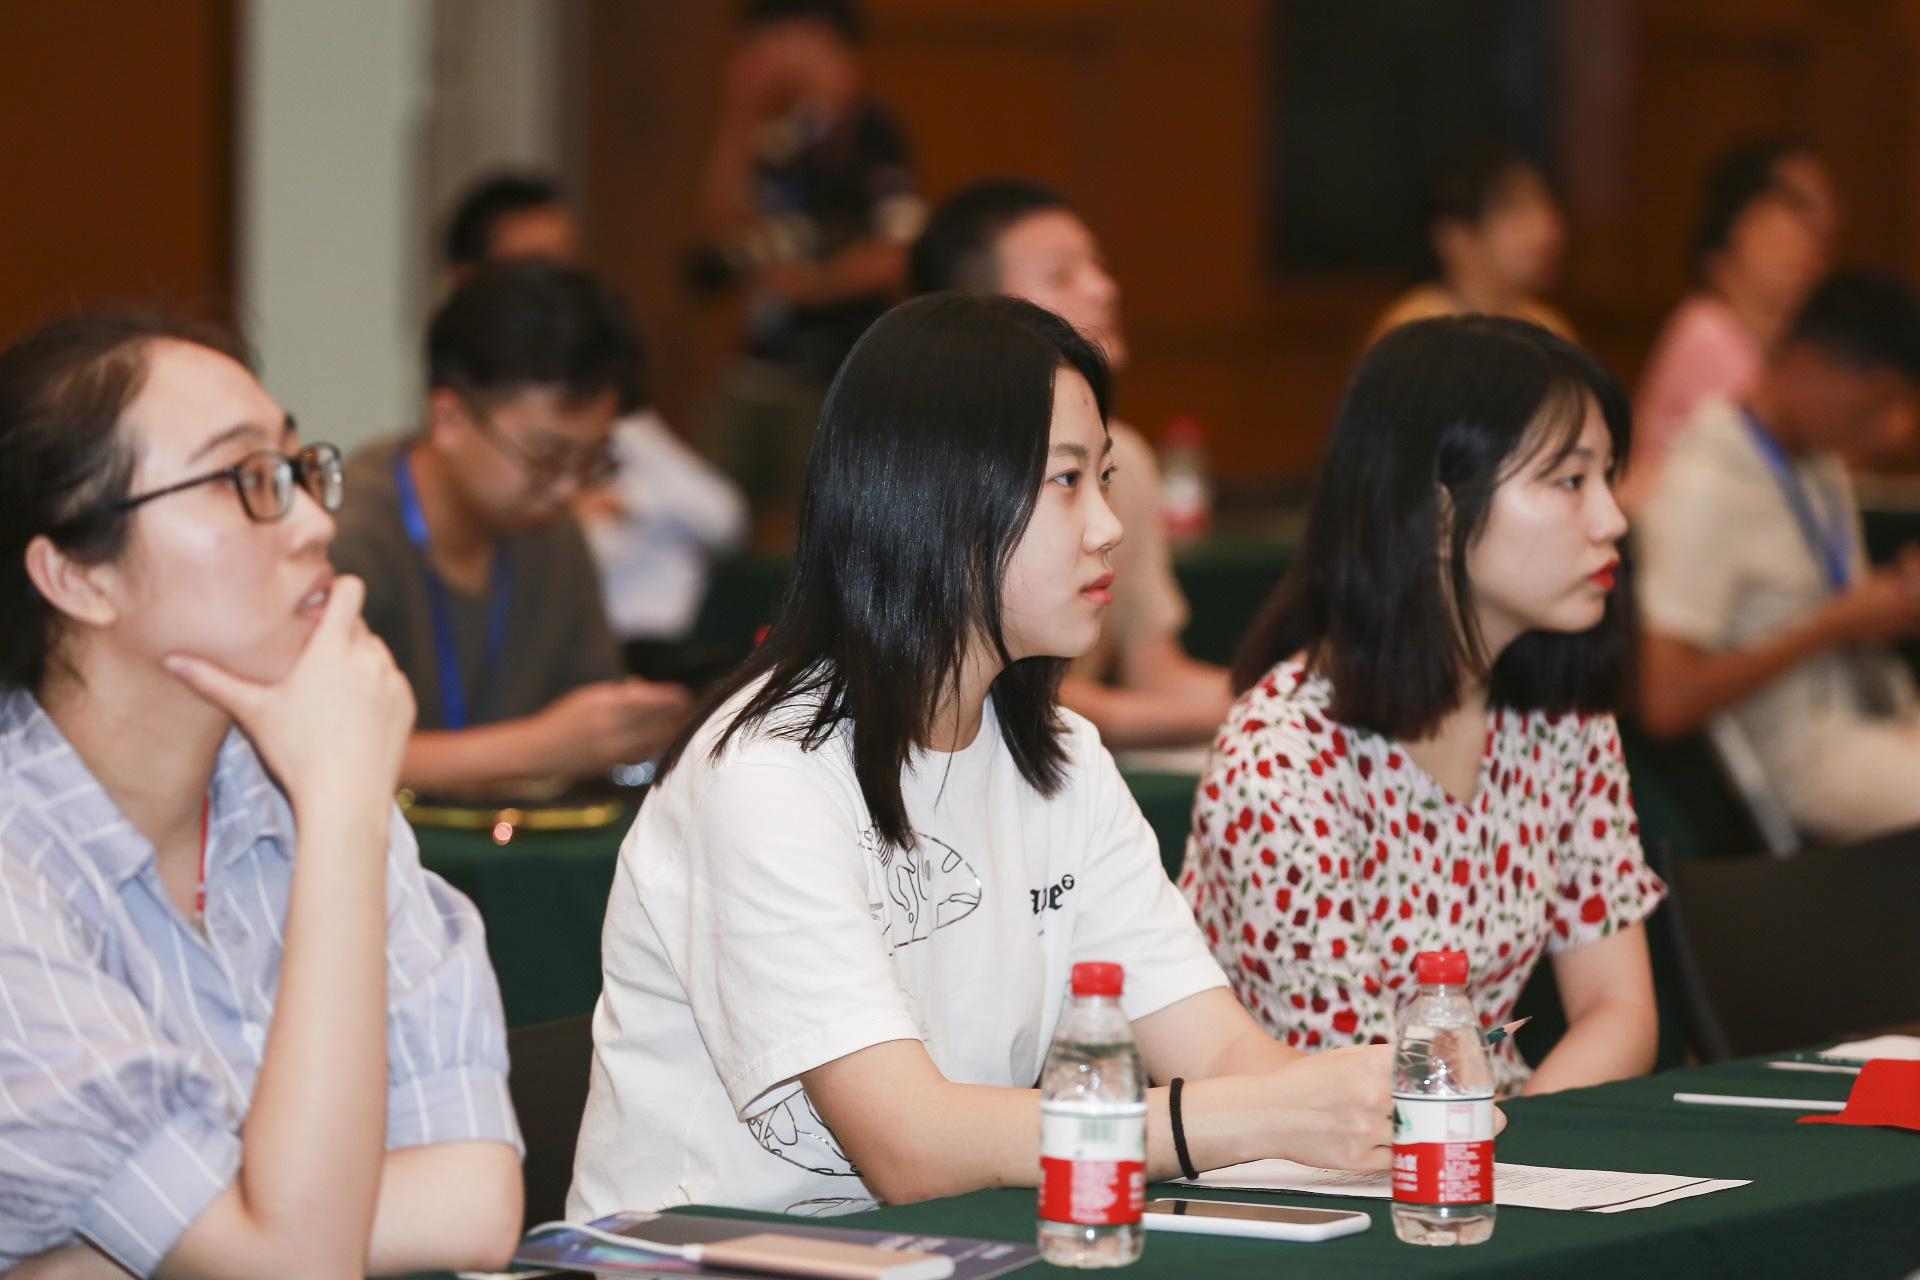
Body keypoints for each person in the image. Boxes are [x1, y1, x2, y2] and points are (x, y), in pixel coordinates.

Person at [569, 294, 1398, 1220]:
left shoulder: (1066, 760)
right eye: (1067, 480)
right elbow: (911, 1148)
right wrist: (1253, 1116)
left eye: (1106, 477)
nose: (1109, 525)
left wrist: (1351, 1102)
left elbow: (1223, 1055)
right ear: (938, 498)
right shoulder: (767, 776)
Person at [0, 314, 522, 1276]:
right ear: (77, 575)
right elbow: (300, 1266)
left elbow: (477, 1200)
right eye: (243, 480)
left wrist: (108, 1261)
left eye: (297, 467)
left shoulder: (302, 769)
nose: (315, 522)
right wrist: (252, 1240)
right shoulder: (15, 864)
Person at [1183, 316, 1664, 1097]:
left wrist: (1530, 1141)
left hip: (1501, 1134)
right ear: (1439, 519)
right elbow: (1355, 1093)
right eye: (1571, 481)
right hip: (1324, 1151)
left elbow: (1620, 1008)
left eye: (1609, 475)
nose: (1613, 518)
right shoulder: (1280, 759)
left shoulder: (1561, 714)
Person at [329, 259, 691, 794]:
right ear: (449, 418)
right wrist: (541, 747)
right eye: (547, 457)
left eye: (590, 461)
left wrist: (625, 728)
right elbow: (318, 756)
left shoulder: (553, 536)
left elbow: (589, 705)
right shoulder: (345, 537)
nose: (567, 489)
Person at [908, 178, 1235, 751]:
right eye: (1062, 275)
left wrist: (1290, 697)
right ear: (976, 314)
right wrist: (1262, 714)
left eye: (1098, 266)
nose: (1104, 288)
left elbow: (1154, 670)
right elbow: (1012, 697)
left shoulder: (1125, 456)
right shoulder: (939, 468)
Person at [1638, 270, 1920, 843]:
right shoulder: (1706, 484)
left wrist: (1889, 602)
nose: (1888, 429)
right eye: (1873, 404)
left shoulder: (1815, 461)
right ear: (1808, 365)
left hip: (1873, 714)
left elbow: (1828, 599)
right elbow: (1666, 701)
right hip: (1807, 757)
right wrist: (1832, 627)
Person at [439, 173, 750, 670]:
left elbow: (724, 514)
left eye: (567, 261)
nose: (561, 287)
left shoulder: (609, 413)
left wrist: (627, 504)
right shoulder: (464, 471)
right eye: (546, 455)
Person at [696, 0, 924, 543]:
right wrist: (738, 113)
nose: (764, 52)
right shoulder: (781, 130)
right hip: (758, 360)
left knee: (811, 527)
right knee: (708, 514)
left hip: (833, 368)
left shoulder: (875, 134)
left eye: (775, 35)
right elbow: (720, 222)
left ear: (818, 34)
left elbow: (896, 253)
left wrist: (813, 287)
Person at [1625, 139, 1838, 509]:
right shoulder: (1705, 329)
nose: (1799, 256)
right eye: (1776, 239)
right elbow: (1767, 450)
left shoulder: (1774, 340)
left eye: (1807, 244)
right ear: (1726, 248)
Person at [1367, 145, 1573, 346]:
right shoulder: (1415, 332)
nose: (1548, 230)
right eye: (1515, 210)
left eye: (1546, 206)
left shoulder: (1547, 325)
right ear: (1455, 237)